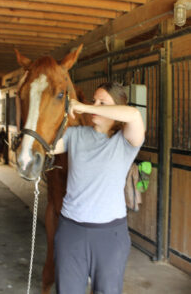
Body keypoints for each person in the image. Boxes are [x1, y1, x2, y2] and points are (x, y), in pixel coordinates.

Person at [51, 82, 145, 294]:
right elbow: (47, 147)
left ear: (116, 108)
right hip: (70, 231)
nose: (95, 105)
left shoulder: (126, 140)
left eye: (102, 102)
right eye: (94, 100)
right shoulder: (75, 135)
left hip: (110, 235)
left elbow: (134, 116)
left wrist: (85, 107)